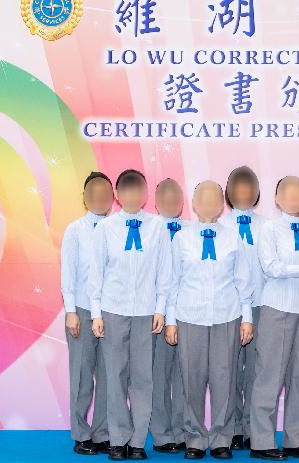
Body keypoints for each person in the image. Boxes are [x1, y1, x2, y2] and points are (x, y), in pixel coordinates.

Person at [165, 181, 255, 460]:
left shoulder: (232, 239)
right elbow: (172, 281)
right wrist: (171, 320)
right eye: (202, 197)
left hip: (227, 317)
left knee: (224, 379)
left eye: (214, 197)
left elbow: (244, 281)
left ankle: (221, 438)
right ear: (193, 202)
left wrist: (247, 318)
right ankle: (194, 437)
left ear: (221, 204)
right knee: (191, 380)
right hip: (189, 316)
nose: (208, 202)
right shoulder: (181, 238)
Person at [90, 169, 172, 461]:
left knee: (142, 379)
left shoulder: (158, 227)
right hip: (113, 310)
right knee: (115, 377)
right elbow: (96, 274)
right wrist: (96, 313)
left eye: (138, 190)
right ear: (118, 195)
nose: (132, 196)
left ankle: (137, 441)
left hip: (145, 312)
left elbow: (165, 270)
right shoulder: (106, 228)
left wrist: (160, 307)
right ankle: (117, 438)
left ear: (146, 193)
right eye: (126, 190)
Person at [249, 177, 299, 460]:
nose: (296, 198)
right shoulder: (269, 229)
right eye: (290, 193)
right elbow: (271, 268)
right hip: (278, 308)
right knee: (269, 376)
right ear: (277, 198)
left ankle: (296, 439)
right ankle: (262, 441)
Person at [61, 171, 114, 456]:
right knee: (82, 374)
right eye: (93, 192)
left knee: (109, 375)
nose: (99, 197)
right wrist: (71, 311)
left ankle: (102, 432)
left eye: (105, 191)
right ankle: (81, 433)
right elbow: (68, 273)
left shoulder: (118, 228)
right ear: (84, 197)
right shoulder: (75, 230)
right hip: (81, 309)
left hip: (111, 311)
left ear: (113, 197)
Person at [222, 166, 267, 451]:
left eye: (249, 186)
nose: (243, 192)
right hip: (229, 308)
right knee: (228, 371)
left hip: (262, 306)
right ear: (228, 192)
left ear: (257, 191)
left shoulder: (268, 226)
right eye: (237, 186)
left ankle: (252, 428)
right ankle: (233, 428)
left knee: (255, 371)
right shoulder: (219, 225)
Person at [151, 178, 187, 454]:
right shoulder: (147, 230)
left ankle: (183, 431)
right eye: (166, 195)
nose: (171, 200)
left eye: (177, 195)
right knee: (159, 375)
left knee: (186, 376)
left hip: (188, 314)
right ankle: (162, 434)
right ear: (156, 200)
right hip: (157, 315)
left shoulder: (193, 231)